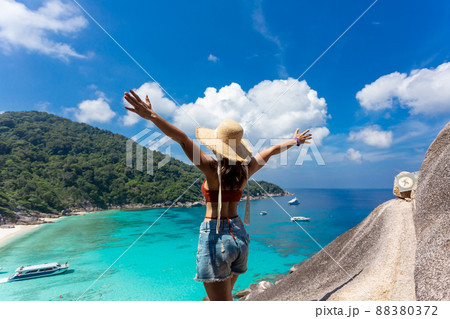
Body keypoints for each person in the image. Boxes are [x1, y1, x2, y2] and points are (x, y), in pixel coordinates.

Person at [124, 89, 312, 301]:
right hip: (240, 236)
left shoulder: (212, 169)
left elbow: (183, 139)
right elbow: (272, 150)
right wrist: (295, 141)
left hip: (216, 237)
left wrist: (152, 116)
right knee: (226, 298)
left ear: (217, 146)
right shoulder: (245, 171)